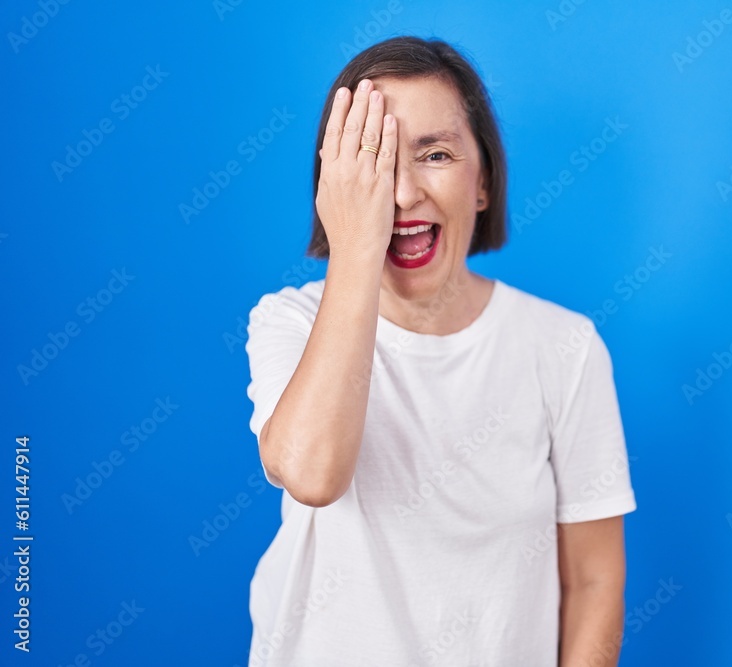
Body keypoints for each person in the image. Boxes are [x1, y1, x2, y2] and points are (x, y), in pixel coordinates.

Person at [244, 35, 637, 666]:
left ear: (482, 181)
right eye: (372, 159)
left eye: (436, 154)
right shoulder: (287, 320)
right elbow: (314, 474)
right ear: (334, 186)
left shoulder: (563, 347)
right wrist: (354, 248)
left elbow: (593, 581)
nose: (400, 195)